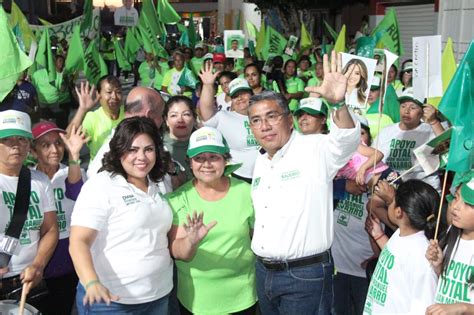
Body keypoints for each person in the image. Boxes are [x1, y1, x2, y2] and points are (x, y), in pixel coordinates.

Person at [249, 51, 360, 314]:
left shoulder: (315, 148)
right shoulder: (262, 160)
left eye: (272, 116)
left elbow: (346, 140)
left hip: (304, 276)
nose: (264, 126)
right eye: (256, 120)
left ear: (290, 120)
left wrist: (337, 104)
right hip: (264, 273)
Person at [70, 117, 210, 314]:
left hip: (158, 296)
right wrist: (91, 282)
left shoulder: (158, 183)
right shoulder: (102, 185)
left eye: (148, 149)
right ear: (119, 151)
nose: (141, 157)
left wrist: (190, 239)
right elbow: (79, 241)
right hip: (111, 301)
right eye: (132, 149)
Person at [166, 127, 257, 314]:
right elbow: (179, 253)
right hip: (197, 301)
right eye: (199, 158)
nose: (206, 164)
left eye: (214, 157)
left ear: (225, 160)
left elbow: (258, 239)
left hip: (244, 297)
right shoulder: (177, 199)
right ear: (190, 163)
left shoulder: (247, 193)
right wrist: (190, 241)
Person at [0, 110, 58, 313]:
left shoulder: (40, 181)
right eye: (7, 139)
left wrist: (39, 265)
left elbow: (50, 229)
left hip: (29, 280)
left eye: (22, 139)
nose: (15, 145)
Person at [30, 121, 88, 314]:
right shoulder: (27, 179)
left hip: (69, 257)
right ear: (33, 151)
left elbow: (75, 191)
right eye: (45, 145)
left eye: (58, 143)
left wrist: (74, 157)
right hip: (39, 258)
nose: (54, 149)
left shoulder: (71, 172)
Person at [364, 180, 440, 314]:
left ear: (398, 212)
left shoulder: (423, 256)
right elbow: (396, 258)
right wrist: (378, 235)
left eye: (392, 201)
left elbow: (423, 307)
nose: (390, 204)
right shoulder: (401, 233)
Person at [374, 88, 445, 191]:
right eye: (403, 106)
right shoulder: (386, 131)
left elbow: (447, 148)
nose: (406, 111)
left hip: (422, 190)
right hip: (390, 188)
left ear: (422, 111)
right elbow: (373, 157)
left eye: (413, 107)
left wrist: (434, 121)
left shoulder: (430, 130)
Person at [199, 65, 259, 183]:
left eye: (243, 94)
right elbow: (205, 111)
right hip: (237, 176)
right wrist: (207, 85)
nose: (240, 98)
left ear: (252, 94)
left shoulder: (263, 116)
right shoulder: (223, 117)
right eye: (235, 96)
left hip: (266, 174)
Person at [425, 171, 474, 314]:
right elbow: (450, 284)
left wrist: (462, 308)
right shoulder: (452, 233)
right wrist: (439, 266)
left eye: (468, 204)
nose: (455, 207)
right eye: (456, 198)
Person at [67, 76, 125, 161]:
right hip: (99, 171)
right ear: (98, 94)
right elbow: (66, 141)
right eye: (109, 92)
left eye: (118, 92)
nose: (114, 97)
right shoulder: (92, 118)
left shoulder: (129, 112)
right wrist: (82, 109)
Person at [31, 54, 74, 129]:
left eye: (63, 61)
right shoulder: (37, 74)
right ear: (53, 63)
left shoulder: (60, 75)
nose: (62, 63)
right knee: (44, 125)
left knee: (59, 122)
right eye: (60, 61)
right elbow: (33, 88)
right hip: (42, 104)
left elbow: (62, 90)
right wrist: (36, 104)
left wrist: (65, 80)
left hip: (55, 105)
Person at [162, 95, 196, 181]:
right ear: (166, 120)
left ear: (194, 118)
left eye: (186, 114)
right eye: (174, 115)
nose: (180, 120)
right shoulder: (159, 147)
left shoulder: (205, 143)